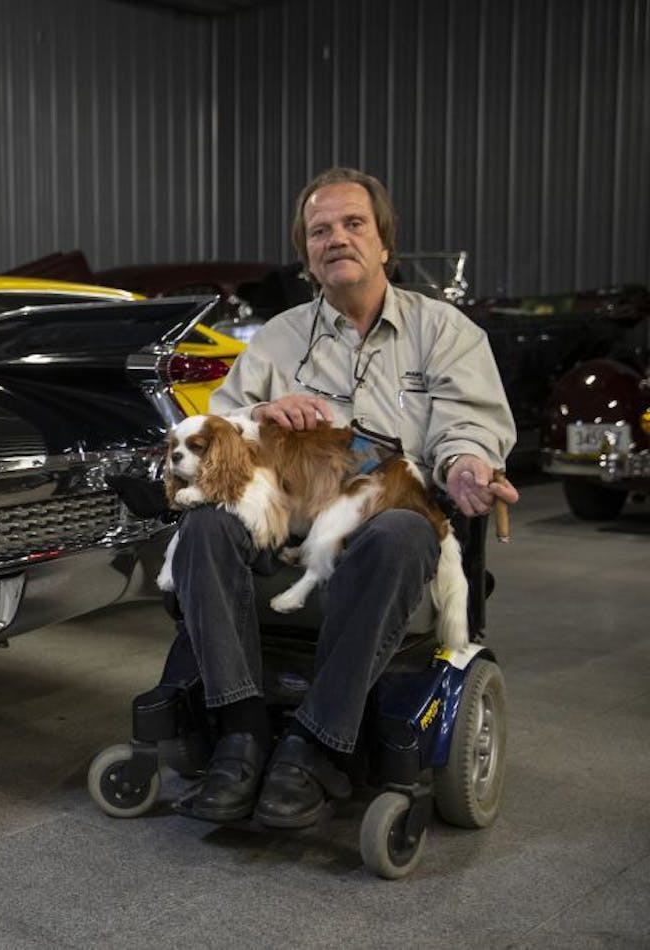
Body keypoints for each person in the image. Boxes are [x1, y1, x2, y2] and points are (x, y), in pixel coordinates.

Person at [166, 166, 520, 828]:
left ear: (384, 241)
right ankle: (241, 733)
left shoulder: (443, 332)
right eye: (319, 230)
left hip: (387, 510)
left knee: (402, 532)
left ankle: (317, 745)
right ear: (306, 254)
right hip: (283, 517)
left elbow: (468, 428)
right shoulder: (277, 339)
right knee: (205, 529)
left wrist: (469, 465)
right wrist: (264, 414)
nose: (337, 239)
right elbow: (221, 436)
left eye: (354, 224)